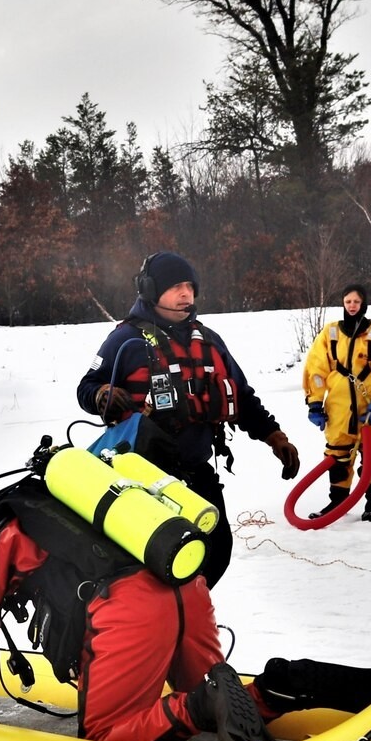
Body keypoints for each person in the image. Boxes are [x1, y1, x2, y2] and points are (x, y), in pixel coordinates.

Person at [0, 475, 371, 741]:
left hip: (129, 611)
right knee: (210, 694)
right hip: (186, 584)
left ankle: (200, 706)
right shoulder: (87, 500)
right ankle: (280, 687)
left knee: (104, 737)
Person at [76, 251, 299, 586]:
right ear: (151, 291)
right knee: (154, 568)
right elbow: (86, 387)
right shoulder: (126, 340)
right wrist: (100, 394)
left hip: (196, 473)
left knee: (215, 551)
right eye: (176, 287)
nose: (186, 294)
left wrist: (274, 437)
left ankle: (188, 622)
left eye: (190, 287)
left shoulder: (209, 342)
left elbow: (241, 395)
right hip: (141, 478)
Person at [303, 282, 371, 521]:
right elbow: (315, 369)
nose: (352, 306)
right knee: (337, 456)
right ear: (342, 303)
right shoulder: (330, 333)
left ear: (364, 304)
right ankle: (337, 503)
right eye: (348, 301)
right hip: (339, 408)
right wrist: (315, 403)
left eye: (356, 302)